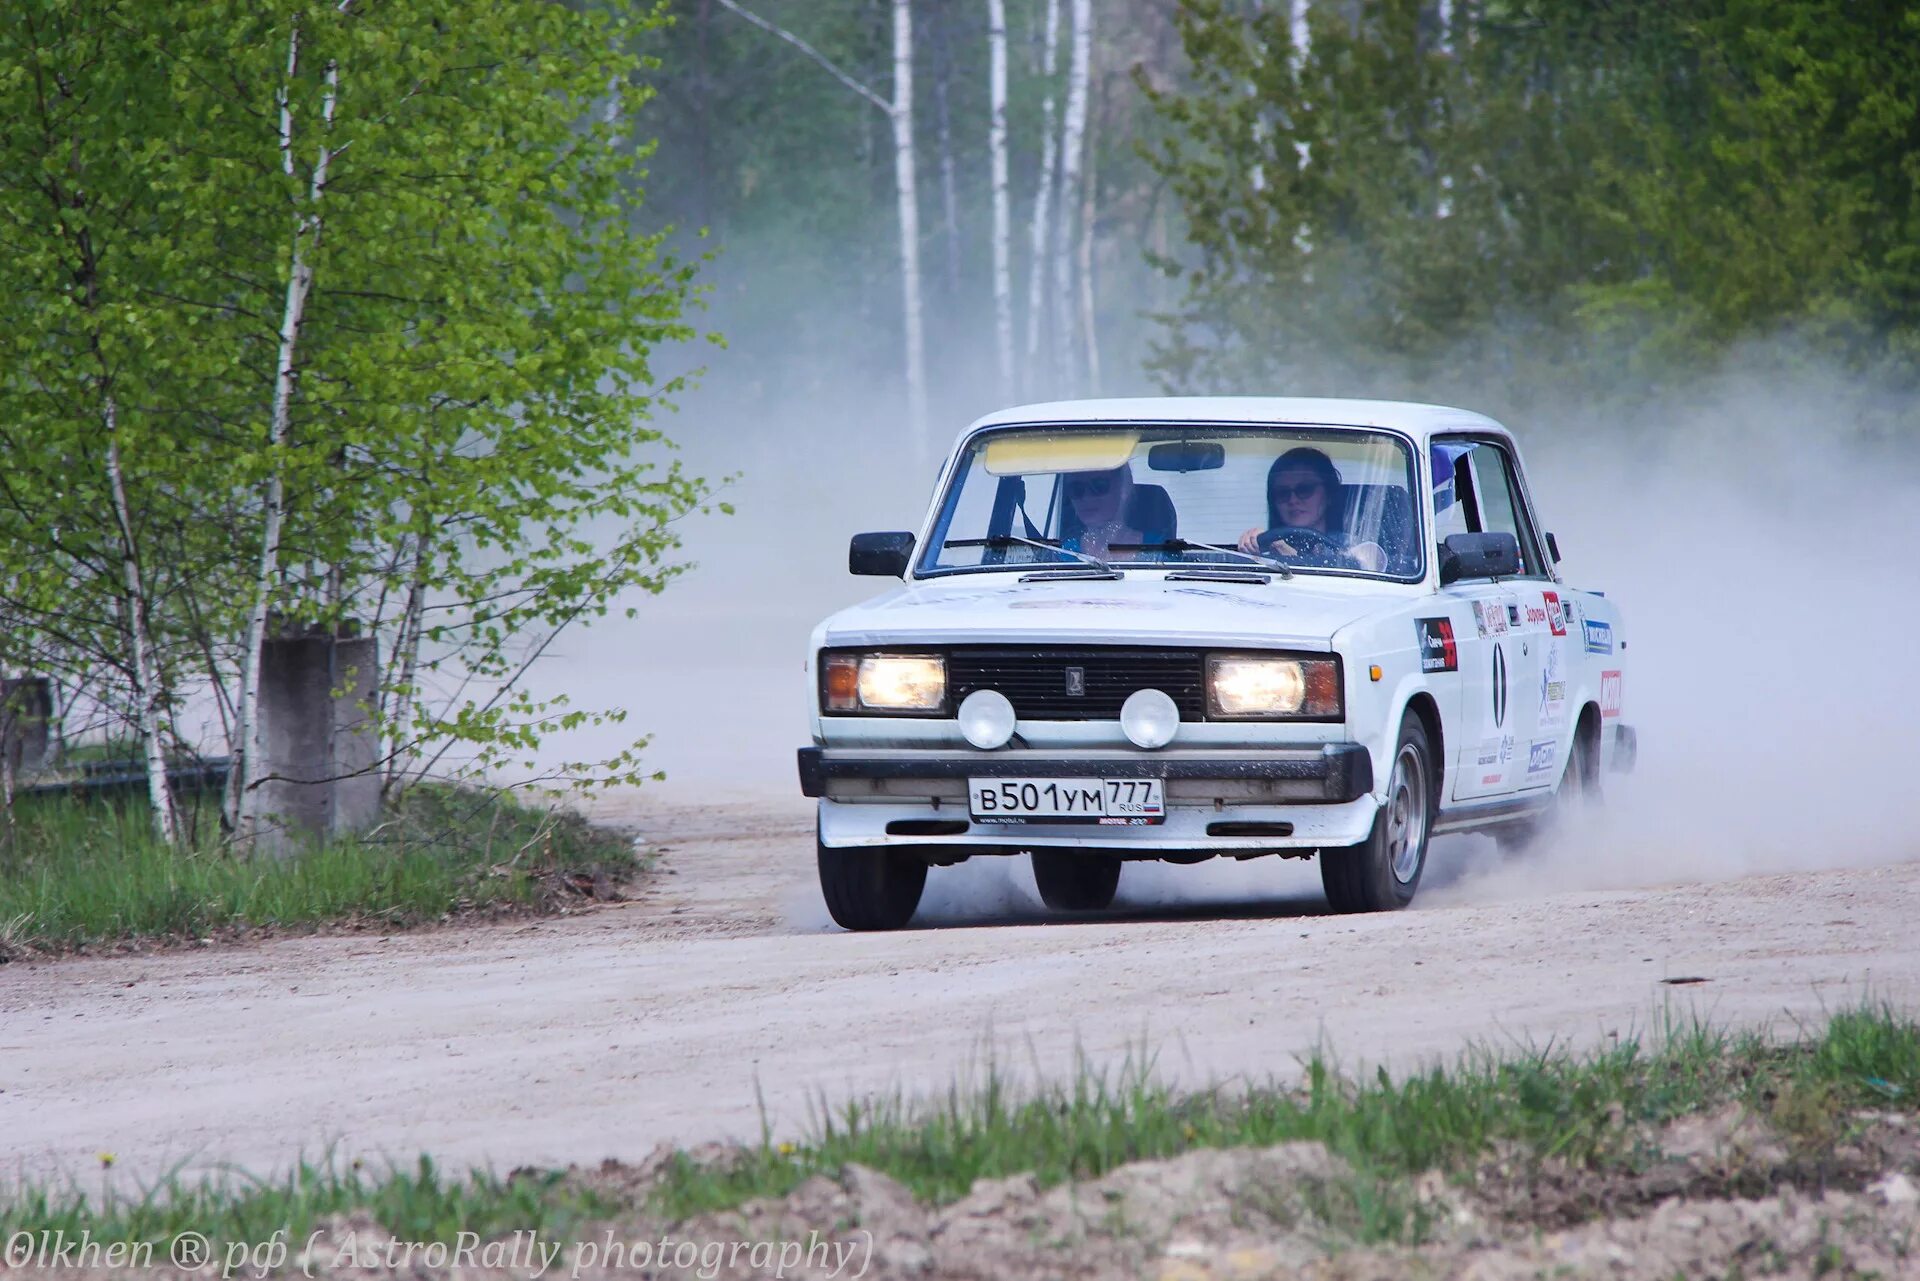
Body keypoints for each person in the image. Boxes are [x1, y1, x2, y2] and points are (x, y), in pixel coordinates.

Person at [1236, 447, 1387, 571]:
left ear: (1328, 495)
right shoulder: (1266, 549)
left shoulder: (1351, 547)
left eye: (1304, 489)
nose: (1293, 500)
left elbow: (1372, 567)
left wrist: (1295, 561)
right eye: (1282, 493)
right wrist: (1253, 544)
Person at [1061, 464, 1143, 560]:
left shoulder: (1160, 549)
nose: (1087, 497)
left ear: (1124, 489)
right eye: (1076, 489)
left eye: (1099, 485)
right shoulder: (1062, 553)